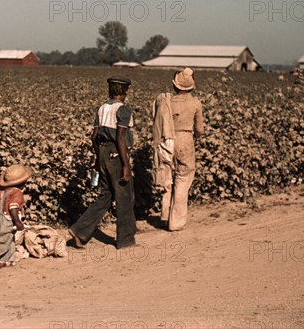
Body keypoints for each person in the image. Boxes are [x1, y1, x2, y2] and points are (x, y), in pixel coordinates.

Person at [68, 76, 136, 249]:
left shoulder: (102, 109)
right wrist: (126, 166)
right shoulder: (123, 110)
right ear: (125, 92)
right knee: (124, 197)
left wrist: (99, 158)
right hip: (116, 154)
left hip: (104, 153)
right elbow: (121, 138)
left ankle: (80, 231)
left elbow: (94, 137)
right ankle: (126, 240)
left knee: (105, 196)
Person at [152, 68, 204, 231]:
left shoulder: (166, 101)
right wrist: (195, 135)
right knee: (183, 178)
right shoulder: (195, 103)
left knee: (168, 176)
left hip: (167, 140)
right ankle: (176, 221)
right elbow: (200, 129)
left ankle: (165, 214)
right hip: (185, 140)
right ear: (191, 86)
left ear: (175, 85)